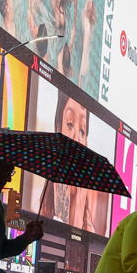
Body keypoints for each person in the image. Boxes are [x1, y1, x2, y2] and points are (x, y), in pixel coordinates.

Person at [38, 95, 99, 233]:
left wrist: (78, 207)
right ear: (58, 128)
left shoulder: (90, 230)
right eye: (70, 124)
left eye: (82, 131)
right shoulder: (39, 212)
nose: (76, 138)